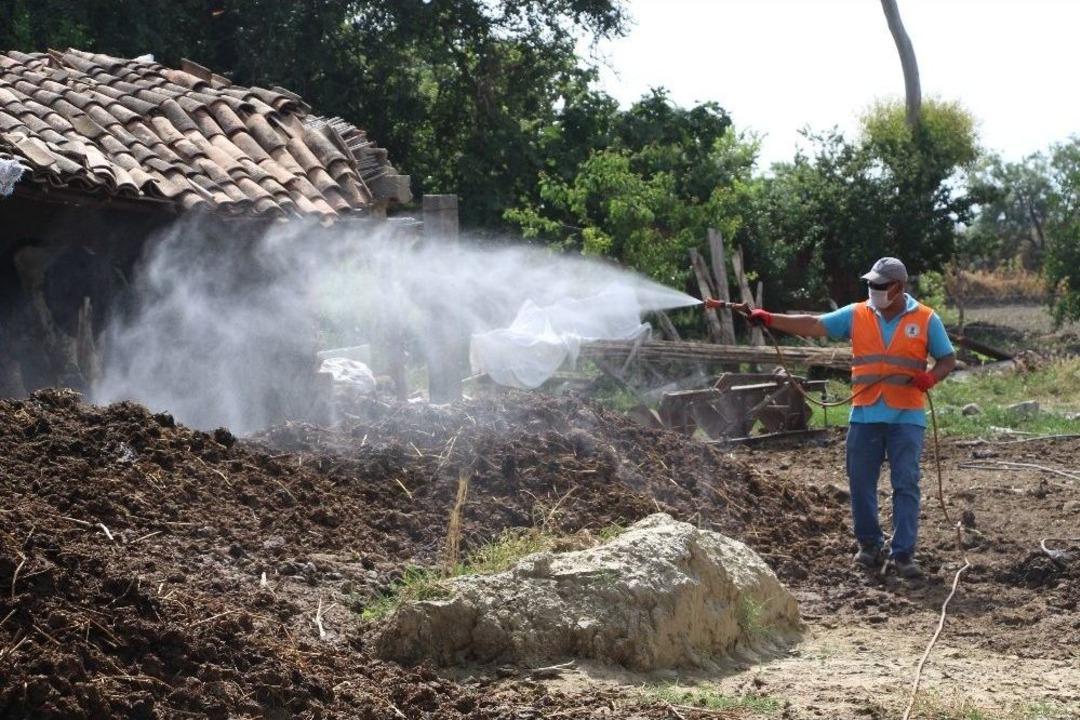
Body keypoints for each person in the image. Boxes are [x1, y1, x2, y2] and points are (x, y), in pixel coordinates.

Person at [744, 257, 956, 578]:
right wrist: (770, 319)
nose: (872, 290)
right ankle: (869, 545)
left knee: (906, 484)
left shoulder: (927, 319)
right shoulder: (857, 314)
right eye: (870, 284)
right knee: (860, 484)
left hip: (906, 417)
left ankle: (903, 554)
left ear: (898, 288)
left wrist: (931, 378)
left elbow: (947, 358)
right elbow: (814, 324)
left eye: (879, 286)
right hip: (865, 414)